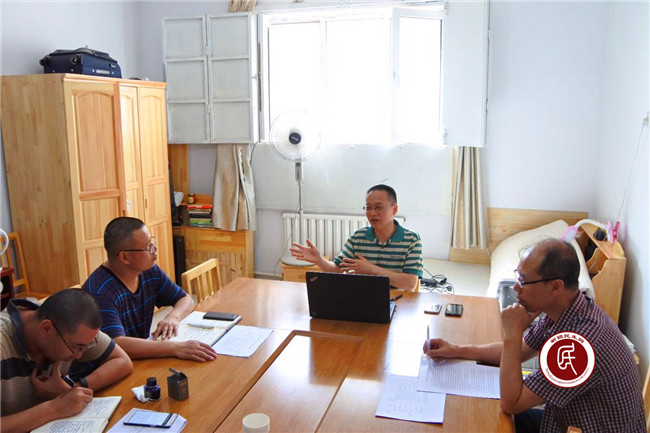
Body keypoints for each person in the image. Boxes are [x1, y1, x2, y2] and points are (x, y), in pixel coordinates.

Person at [423, 238, 646, 433]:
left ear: (556, 287)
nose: (516, 288)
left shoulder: (580, 346)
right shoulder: (565, 309)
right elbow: (519, 351)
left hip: (579, 428)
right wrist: (456, 350)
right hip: (565, 419)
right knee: (477, 413)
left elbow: (512, 403)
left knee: (485, 418)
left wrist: (512, 333)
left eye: (524, 281)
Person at [83, 217, 216, 362]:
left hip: (139, 358)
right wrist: (175, 348)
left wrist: (173, 317)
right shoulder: (100, 292)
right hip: (109, 366)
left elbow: (185, 299)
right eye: (147, 246)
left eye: (152, 242)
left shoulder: (149, 271)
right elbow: (116, 345)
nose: (154, 249)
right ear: (125, 257)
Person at [0, 289, 133, 433]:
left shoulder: (72, 324)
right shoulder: (3, 342)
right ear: (46, 329)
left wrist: (73, 388)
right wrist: (54, 408)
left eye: (84, 347)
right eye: (77, 347)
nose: (79, 356)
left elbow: (123, 361)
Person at [290, 184, 423, 291]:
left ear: (394, 209)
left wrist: (371, 269)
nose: (372, 213)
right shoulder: (358, 237)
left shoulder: (411, 239)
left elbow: (410, 283)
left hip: (398, 300)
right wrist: (319, 260)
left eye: (379, 207)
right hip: (361, 297)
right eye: (368, 208)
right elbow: (337, 269)